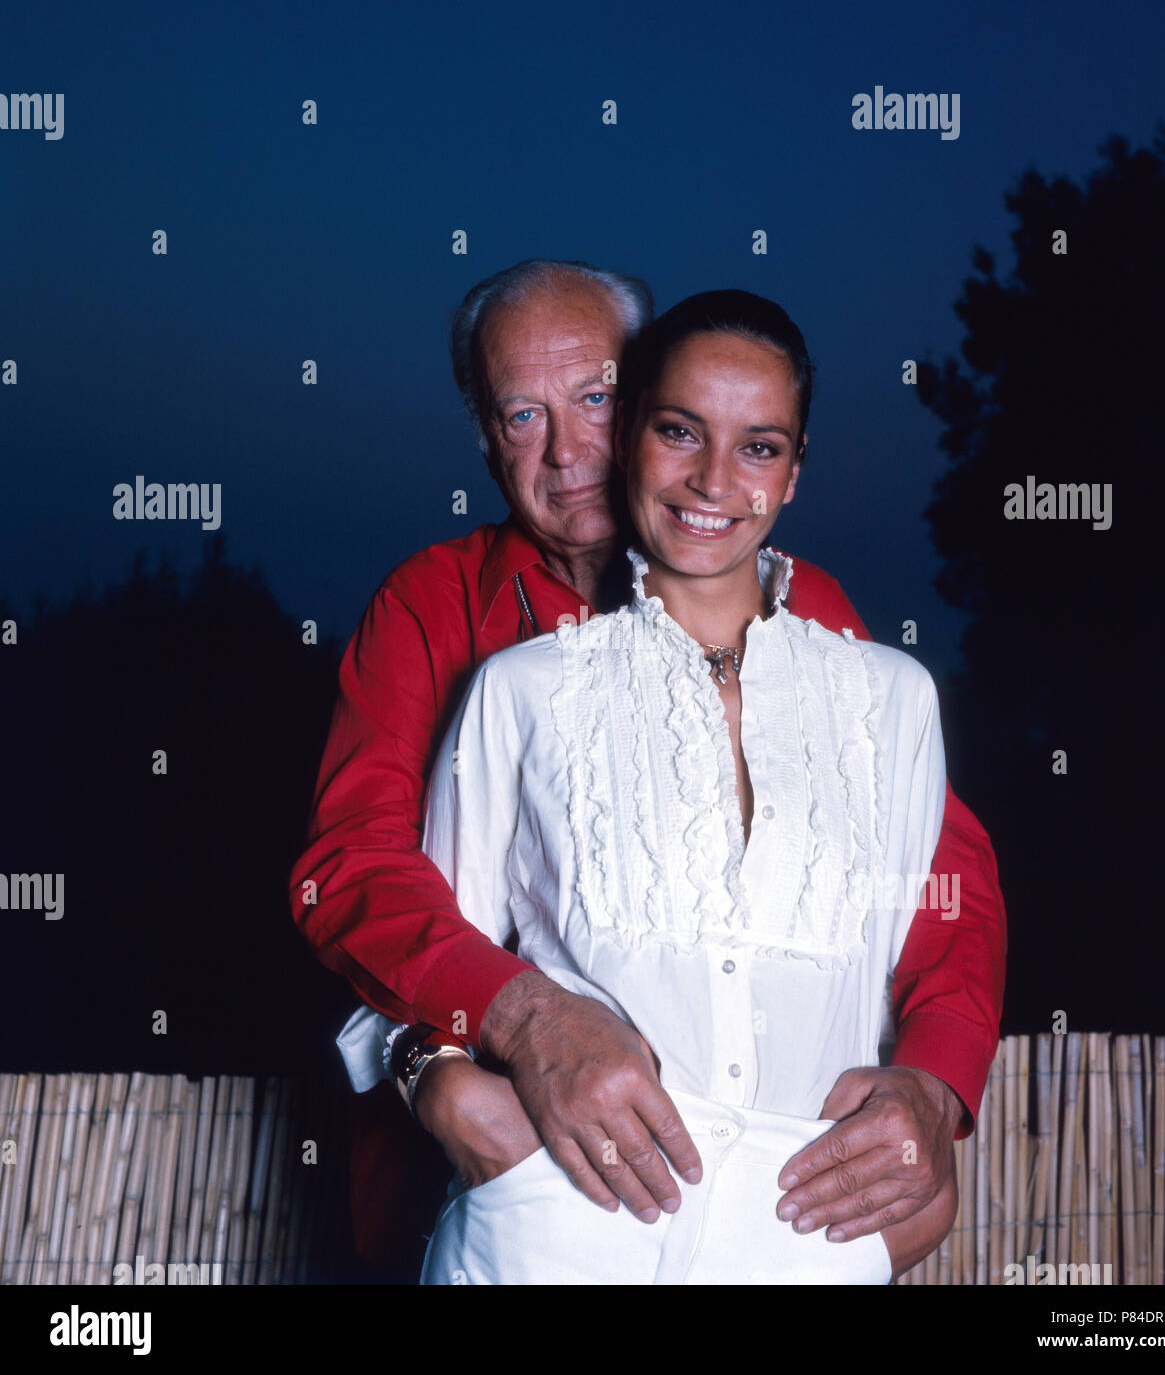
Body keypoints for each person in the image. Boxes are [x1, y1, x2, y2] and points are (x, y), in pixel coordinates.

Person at [289, 260, 1005, 1276]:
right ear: (483, 432)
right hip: (517, 1193)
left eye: (595, 399)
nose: (570, 449)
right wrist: (472, 1060)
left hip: (770, 1215)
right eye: (521, 413)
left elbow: (943, 883)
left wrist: (932, 1086)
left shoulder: (816, 622)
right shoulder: (429, 610)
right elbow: (351, 868)